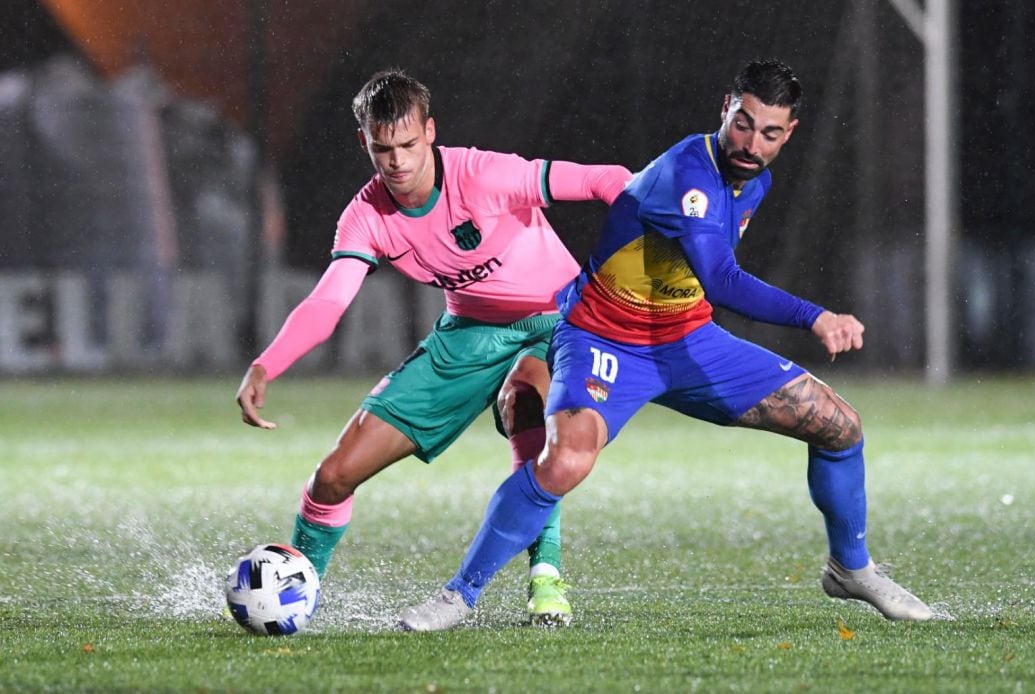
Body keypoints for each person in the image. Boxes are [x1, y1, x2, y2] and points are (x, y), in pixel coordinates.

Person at [399, 59, 933, 631]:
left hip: (688, 340)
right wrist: (815, 316)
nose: (752, 143)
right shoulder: (689, 172)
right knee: (565, 460)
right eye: (743, 124)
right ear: (725, 107)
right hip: (603, 337)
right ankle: (459, 595)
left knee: (839, 426)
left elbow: (700, 284)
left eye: (770, 133)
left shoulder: (754, 178)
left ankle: (850, 570)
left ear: (789, 134)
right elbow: (723, 281)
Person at [235, 69, 631, 626]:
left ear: (430, 131)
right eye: (382, 149)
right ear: (364, 143)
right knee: (333, 475)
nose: (397, 162)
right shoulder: (366, 216)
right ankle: (298, 592)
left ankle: (547, 579)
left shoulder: (486, 174)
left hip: (557, 322)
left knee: (525, 402)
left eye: (408, 145)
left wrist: (648, 241)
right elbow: (328, 302)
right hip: (466, 336)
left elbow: (608, 180)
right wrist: (265, 364)